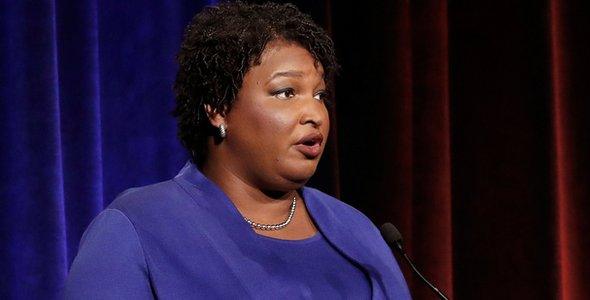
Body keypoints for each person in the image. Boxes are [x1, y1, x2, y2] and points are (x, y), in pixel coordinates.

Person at [64, 3, 410, 299]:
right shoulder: (137, 228)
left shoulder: (357, 233)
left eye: (319, 96)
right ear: (218, 107)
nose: (315, 114)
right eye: (286, 92)